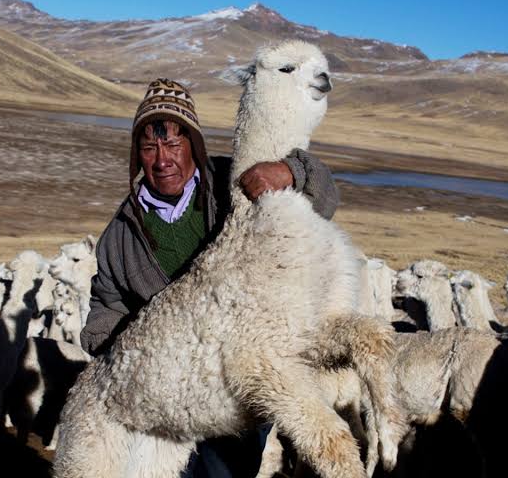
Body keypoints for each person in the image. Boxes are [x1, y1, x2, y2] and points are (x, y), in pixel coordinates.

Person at [80, 78, 339, 477]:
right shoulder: (121, 235)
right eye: (149, 148)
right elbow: (107, 307)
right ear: (137, 156)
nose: (162, 159)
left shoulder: (236, 186)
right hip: (169, 392)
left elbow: (325, 200)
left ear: (193, 146)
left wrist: (290, 172)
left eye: (173, 145)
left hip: (240, 383)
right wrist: (126, 352)